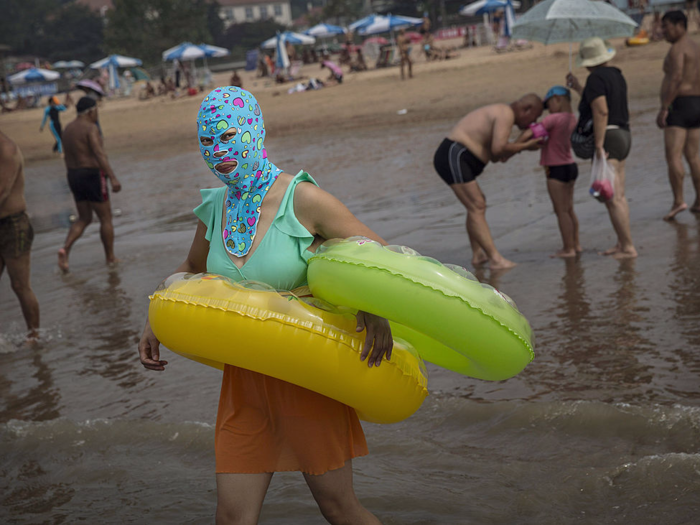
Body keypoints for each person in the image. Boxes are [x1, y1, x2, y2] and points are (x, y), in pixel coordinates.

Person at [138, 87, 392, 524]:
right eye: (207, 142)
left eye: (227, 136)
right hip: (245, 381)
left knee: (338, 509)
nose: (218, 151)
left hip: (306, 371)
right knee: (232, 518)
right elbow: (192, 267)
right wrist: (155, 315)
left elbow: (376, 254)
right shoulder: (214, 208)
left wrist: (373, 308)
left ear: (254, 130)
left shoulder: (303, 199)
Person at [432, 94, 544, 269]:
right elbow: (499, 149)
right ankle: (495, 259)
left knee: (476, 204)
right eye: (535, 117)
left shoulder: (503, 114)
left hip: (459, 156)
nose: (533, 122)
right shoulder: (505, 113)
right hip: (455, 154)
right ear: (526, 109)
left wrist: (520, 145)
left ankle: (478, 255)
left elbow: (498, 156)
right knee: (477, 205)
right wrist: (525, 146)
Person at [567, 37, 637, 259]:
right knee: (618, 194)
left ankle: (627, 247)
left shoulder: (595, 78)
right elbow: (597, 103)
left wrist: (598, 144)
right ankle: (621, 242)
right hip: (623, 134)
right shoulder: (616, 75)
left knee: (613, 197)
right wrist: (579, 87)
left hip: (608, 137)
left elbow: (601, 111)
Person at [57, 97, 122, 273]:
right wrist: (113, 177)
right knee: (105, 218)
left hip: (73, 175)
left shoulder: (68, 129)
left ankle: (65, 249)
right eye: (96, 111)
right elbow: (99, 154)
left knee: (84, 218)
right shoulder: (90, 128)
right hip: (92, 175)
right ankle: (110, 258)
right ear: (91, 111)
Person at [518, 87, 580, 257]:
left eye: (548, 104)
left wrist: (515, 146)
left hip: (555, 168)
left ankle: (568, 249)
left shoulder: (553, 119)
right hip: (571, 165)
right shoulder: (573, 118)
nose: (547, 109)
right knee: (569, 209)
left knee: (561, 211)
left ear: (558, 100)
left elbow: (529, 134)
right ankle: (576, 244)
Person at [657, 10, 700, 220]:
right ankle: (699, 201)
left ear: (679, 26)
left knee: (673, 155)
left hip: (679, 105)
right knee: (693, 156)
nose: (663, 31)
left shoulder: (677, 49)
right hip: (697, 103)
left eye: (666, 26)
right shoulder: (696, 47)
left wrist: (665, 107)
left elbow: (676, 78)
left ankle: (678, 201)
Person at [0, 131, 40, 339]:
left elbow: (2, 191)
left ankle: (34, 336)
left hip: (13, 225)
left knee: (20, 285)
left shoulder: (6, 149)